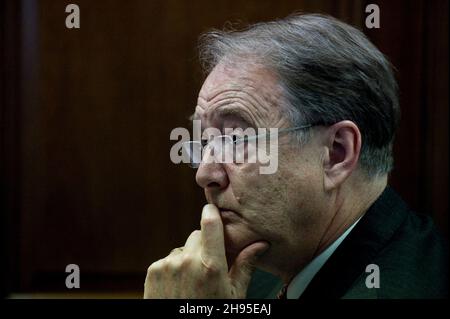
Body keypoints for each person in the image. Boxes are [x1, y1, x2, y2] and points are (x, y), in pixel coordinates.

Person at [144, 13, 448, 299]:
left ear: (336, 154)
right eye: (206, 142)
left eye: (236, 139)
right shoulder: (246, 272)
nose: (205, 174)